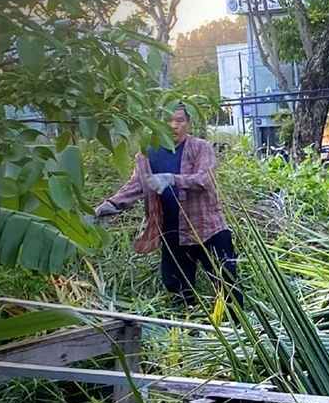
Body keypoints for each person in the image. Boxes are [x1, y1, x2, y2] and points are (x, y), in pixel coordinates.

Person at [96, 104, 242, 306]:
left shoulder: (200, 147)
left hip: (208, 230)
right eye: (168, 120)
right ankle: (188, 334)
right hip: (173, 233)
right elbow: (136, 185)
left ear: (188, 124)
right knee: (178, 292)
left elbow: (204, 179)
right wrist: (107, 207)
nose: (174, 126)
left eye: (180, 120)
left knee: (228, 287)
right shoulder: (147, 154)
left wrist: (172, 179)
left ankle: (236, 330)